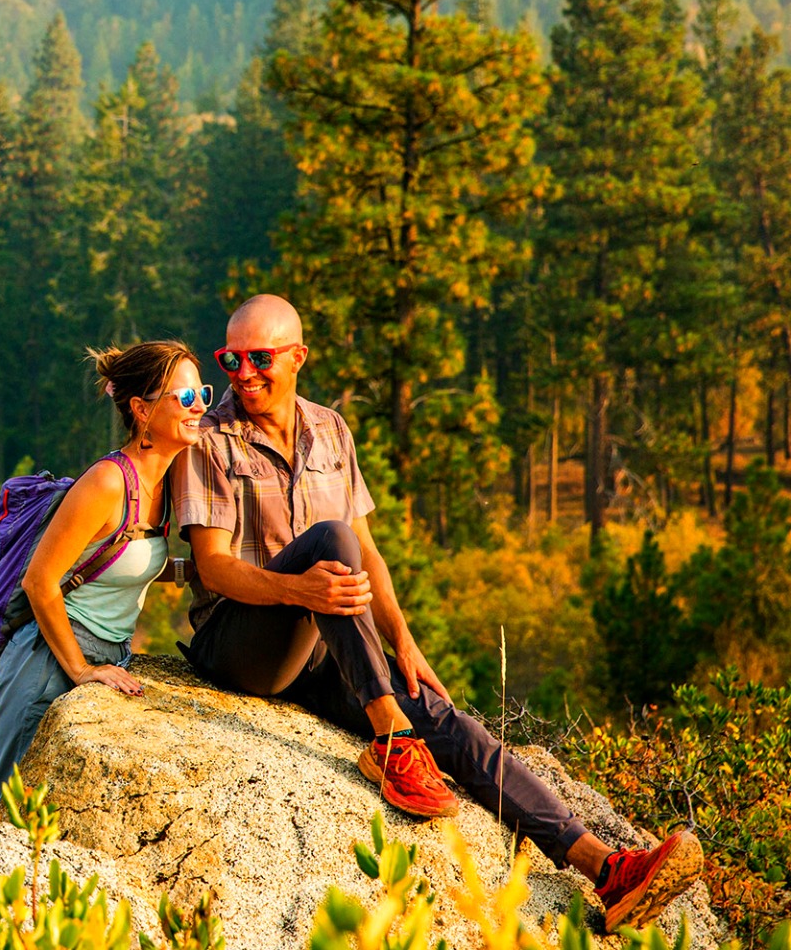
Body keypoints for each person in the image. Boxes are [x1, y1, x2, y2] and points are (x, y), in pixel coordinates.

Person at [171, 294, 701, 932]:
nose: (243, 373)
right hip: (241, 643)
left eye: (260, 358)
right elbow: (212, 566)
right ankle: (391, 737)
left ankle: (605, 868)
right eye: (231, 359)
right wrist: (298, 592)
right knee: (330, 542)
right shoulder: (209, 441)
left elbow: (371, 552)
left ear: (299, 358)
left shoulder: (331, 430)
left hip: (323, 645)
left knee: (446, 719)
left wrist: (404, 643)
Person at [0, 339, 208, 815]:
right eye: (185, 398)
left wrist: (202, 571)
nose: (200, 408)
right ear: (141, 409)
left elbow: (121, 561)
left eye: (202, 394)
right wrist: (81, 671)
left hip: (112, 653)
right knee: (6, 815)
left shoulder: (166, 483)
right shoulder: (108, 482)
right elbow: (40, 581)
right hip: (47, 661)